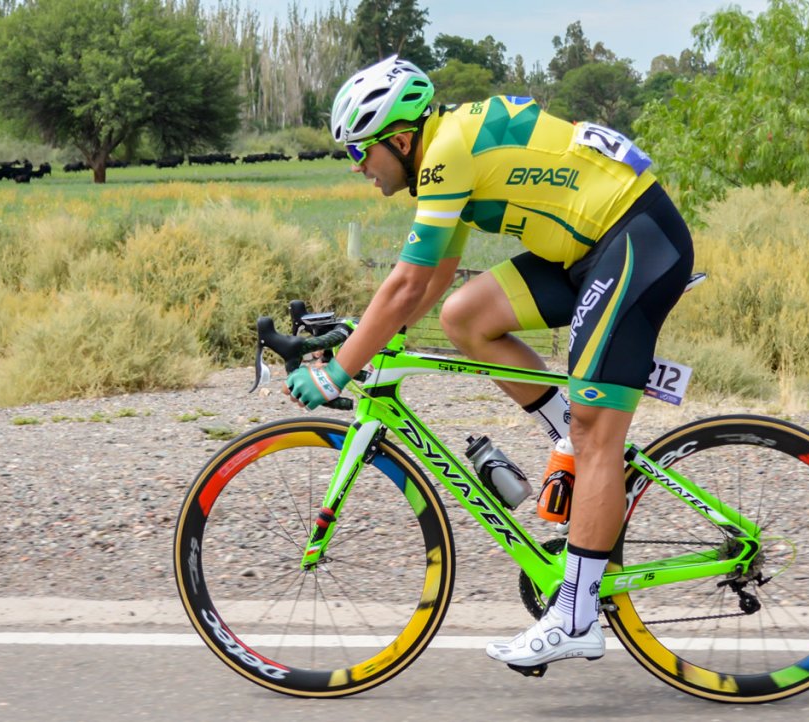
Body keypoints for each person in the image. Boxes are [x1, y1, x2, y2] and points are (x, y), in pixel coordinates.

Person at [285, 55, 695, 669]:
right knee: (464, 316)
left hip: (636, 239)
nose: (358, 166)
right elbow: (430, 286)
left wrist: (337, 370)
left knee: (597, 435)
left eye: (361, 151)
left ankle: (576, 617)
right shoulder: (441, 155)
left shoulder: (446, 152)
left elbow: (405, 283)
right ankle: (570, 437)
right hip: (587, 248)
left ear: (401, 140)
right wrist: (360, 339)